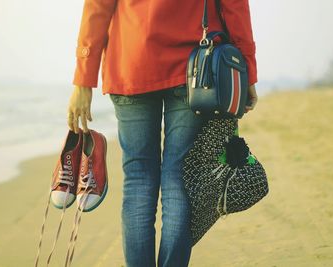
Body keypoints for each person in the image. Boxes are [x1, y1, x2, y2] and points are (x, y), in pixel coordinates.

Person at [67, 0, 258, 266]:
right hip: (196, 70)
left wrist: (83, 79)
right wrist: (246, 68)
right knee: (179, 177)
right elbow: (234, 5)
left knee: (137, 181)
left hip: (130, 63)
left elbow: (97, 6)